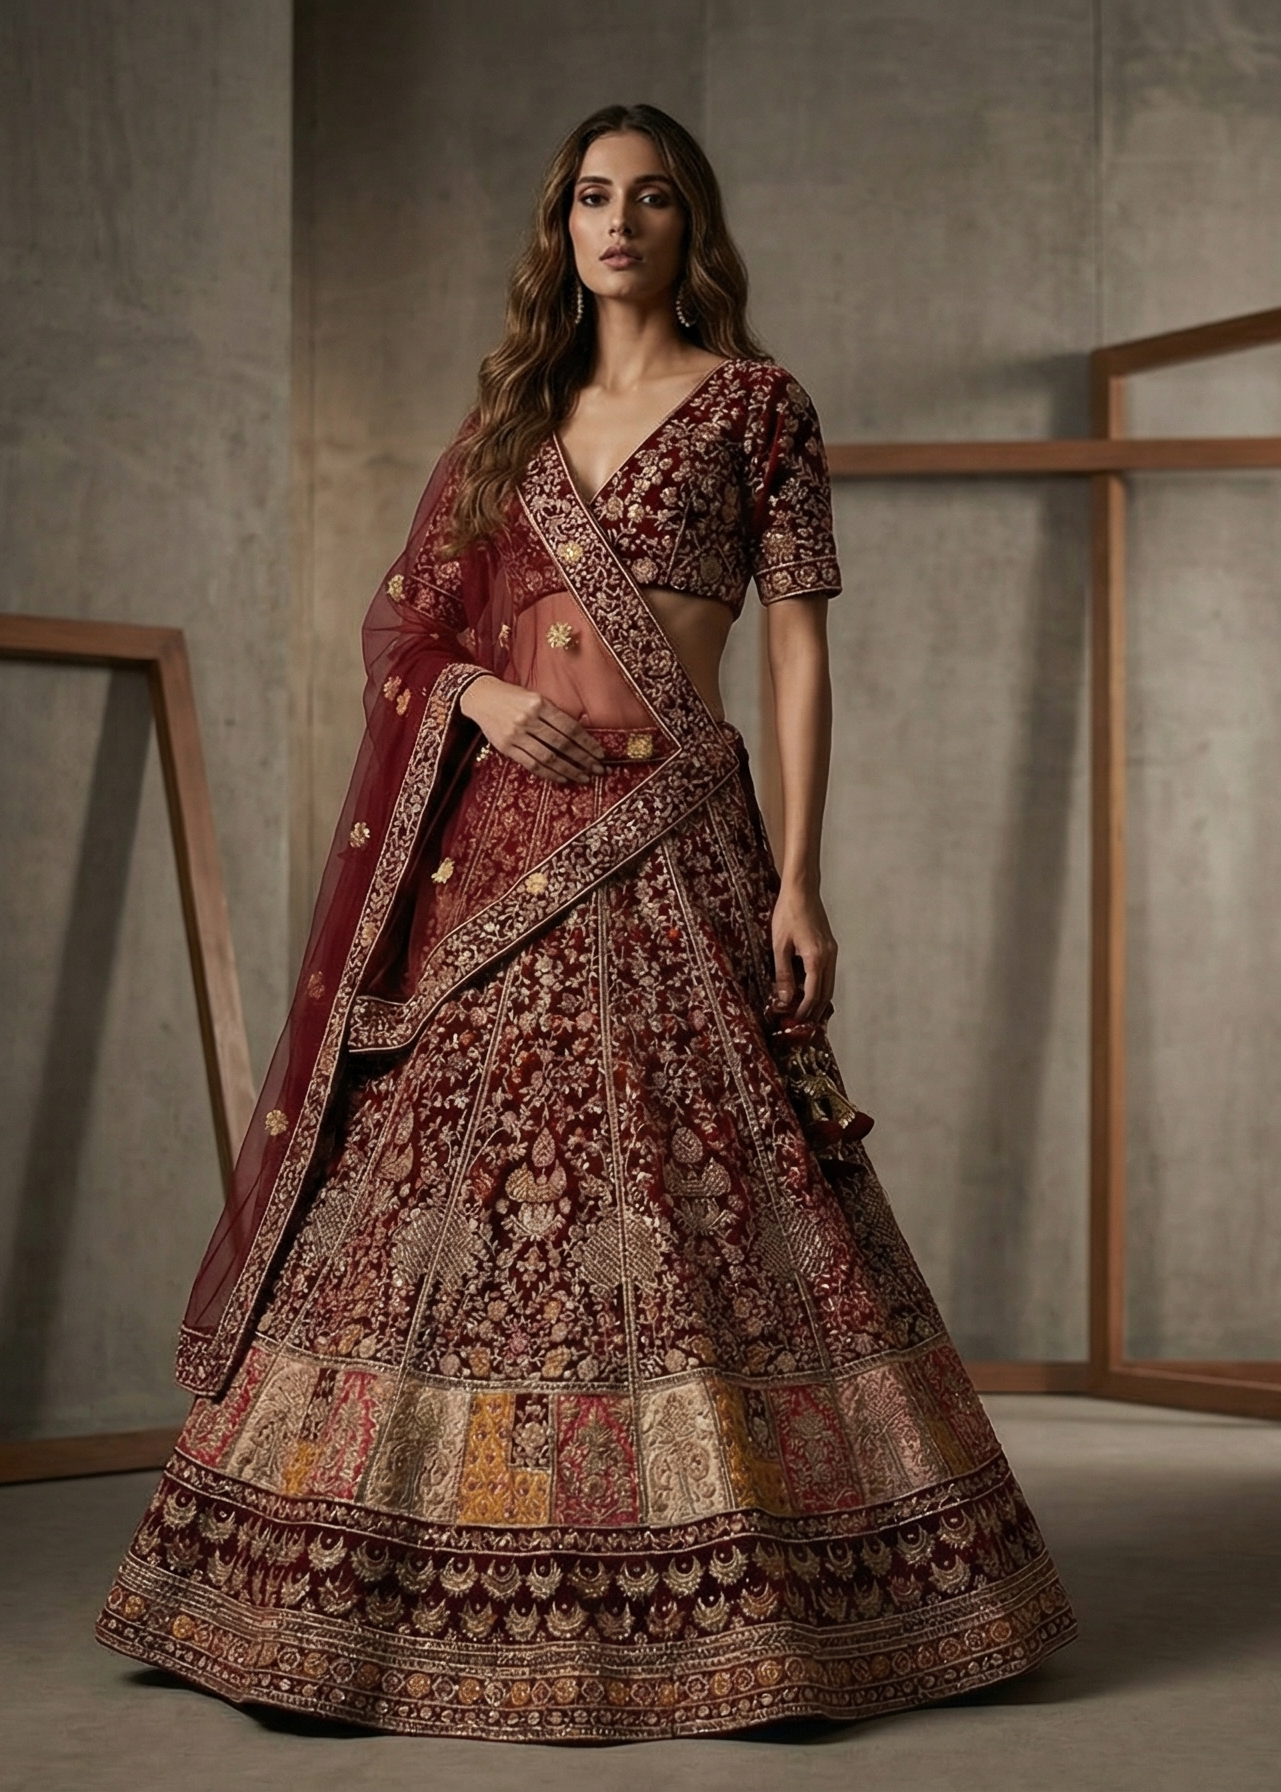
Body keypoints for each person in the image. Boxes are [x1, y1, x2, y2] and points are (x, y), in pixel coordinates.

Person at [98, 103, 1074, 1741]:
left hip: (675, 841)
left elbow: (799, 654)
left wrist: (803, 878)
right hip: (497, 862)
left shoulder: (760, 406)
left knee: (711, 1192)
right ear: (561, 228)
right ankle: (334, 1587)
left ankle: (761, 1596)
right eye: (594, 200)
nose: (621, 225)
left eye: (655, 200)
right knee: (436, 1201)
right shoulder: (509, 434)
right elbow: (401, 627)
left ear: (695, 228)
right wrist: (473, 691)